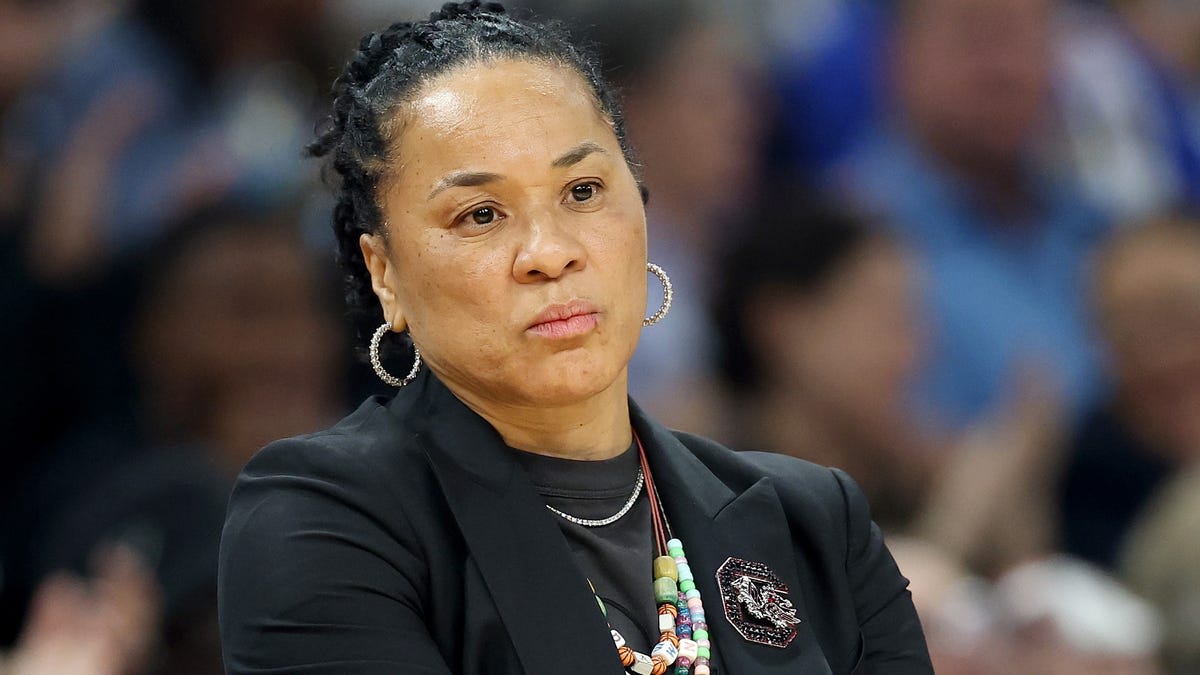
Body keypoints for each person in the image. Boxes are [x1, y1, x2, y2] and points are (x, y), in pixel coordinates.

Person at [217, 3, 931, 674]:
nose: (548, 252)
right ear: (385, 273)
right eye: (481, 213)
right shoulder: (323, 520)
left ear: (641, 207)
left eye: (583, 191)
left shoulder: (813, 520)